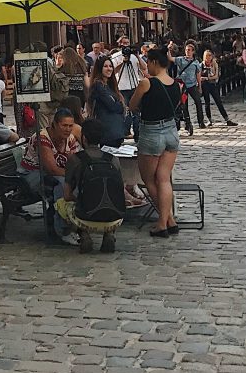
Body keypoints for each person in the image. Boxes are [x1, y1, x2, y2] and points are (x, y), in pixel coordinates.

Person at [130, 47, 182, 237]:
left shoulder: (146, 83)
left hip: (152, 132)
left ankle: (163, 221)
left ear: (153, 62)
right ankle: (170, 220)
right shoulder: (176, 84)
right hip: (171, 132)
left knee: (149, 179)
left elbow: (132, 106)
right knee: (164, 178)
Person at [55, 120, 125, 254]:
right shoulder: (113, 160)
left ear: (84, 138)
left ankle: (83, 234)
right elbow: (119, 191)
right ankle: (109, 233)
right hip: (115, 218)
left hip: (85, 217)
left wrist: (82, 199)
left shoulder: (75, 160)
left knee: (60, 204)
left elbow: (67, 195)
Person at [20, 107, 83, 245]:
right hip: (33, 175)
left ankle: (76, 221)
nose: (67, 129)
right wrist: (72, 176)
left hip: (52, 175)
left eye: (70, 126)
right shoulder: (42, 138)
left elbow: (73, 164)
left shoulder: (70, 139)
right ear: (54, 124)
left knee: (76, 183)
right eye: (64, 125)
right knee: (62, 185)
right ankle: (63, 229)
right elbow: (52, 169)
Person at [87, 54, 127, 147]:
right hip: (107, 132)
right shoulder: (98, 85)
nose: (109, 69)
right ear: (100, 68)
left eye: (110, 66)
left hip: (116, 131)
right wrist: (120, 105)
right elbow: (113, 106)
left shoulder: (110, 85)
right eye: (105, 66)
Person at [198, 48, 236, 127]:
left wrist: (207, 78)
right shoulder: (201, 65)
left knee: (218, 101)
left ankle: (227, 119)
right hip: (205, 85)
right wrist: (200, 85)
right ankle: (210, 120)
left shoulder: (214, 64)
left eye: (210, 56)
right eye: (207, 56)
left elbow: (216, 76)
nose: (208, 57)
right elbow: (199, 76)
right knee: (207, 102)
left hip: (212, 84)